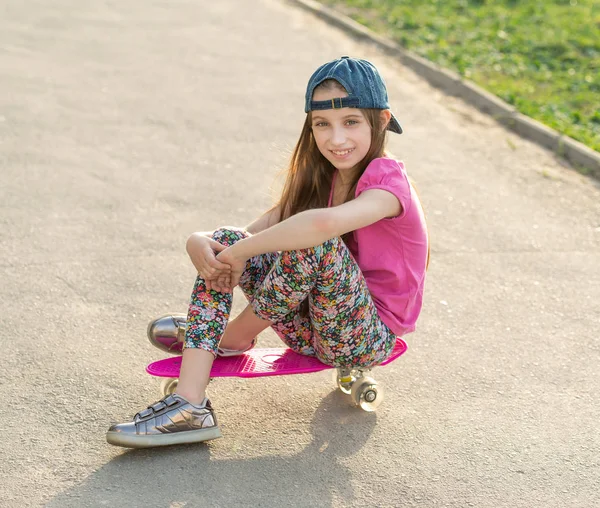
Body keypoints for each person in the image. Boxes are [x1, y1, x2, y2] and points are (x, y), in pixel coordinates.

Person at [106, 56, 429, 448]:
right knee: (228, 239)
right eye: (322, 125)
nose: (336, 139)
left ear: (380, 121)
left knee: (313, 242)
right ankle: (191, 403)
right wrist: (202, 241)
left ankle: (228, 336)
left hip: (365, 337)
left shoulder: (388, 182)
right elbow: (247, 235)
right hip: (313, 325)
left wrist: (242, 251)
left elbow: (321, 228)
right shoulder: (325, 177)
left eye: (351, 122)